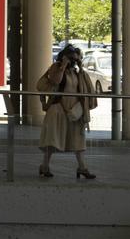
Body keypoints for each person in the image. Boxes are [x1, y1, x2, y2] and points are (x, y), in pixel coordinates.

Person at [38, 45, 98, 179]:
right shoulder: (56, 67)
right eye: (71, 58)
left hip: (74, 111)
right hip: (58, 109)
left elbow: (82, 90)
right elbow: (55, 81)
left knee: (78, 139)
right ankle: (45, 166)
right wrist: (63, 66)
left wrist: (79, 66)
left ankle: (82, 168)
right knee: (52, 140)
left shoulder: (77, 72)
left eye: (75, 59)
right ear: (64, 57)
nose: (74, 61)